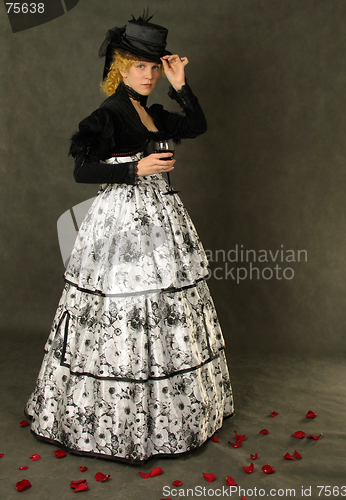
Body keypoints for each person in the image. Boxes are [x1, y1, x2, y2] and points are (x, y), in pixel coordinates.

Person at [25, 11, 234, 464]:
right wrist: (134, 168)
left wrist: (180, 83)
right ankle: (117, 416)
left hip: (162, 214)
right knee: (126, 304)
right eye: (141, 66)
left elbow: (195, 125)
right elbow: (82, 168)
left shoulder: (151, 110)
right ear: (120, 66)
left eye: (154, 67)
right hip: (123, 222)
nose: (149, 74)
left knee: (164, 303)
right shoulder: (110, 113)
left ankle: (168, 415)